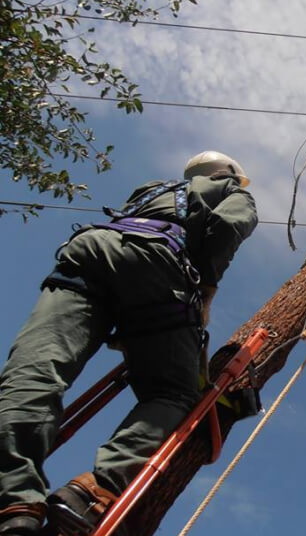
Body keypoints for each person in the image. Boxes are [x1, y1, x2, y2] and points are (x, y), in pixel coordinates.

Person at [0, 151, 258, 535]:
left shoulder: (150, 189)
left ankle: (13, 500)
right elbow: (226, 226)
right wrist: (206, 289)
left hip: (88, 253)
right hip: (157, 266)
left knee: (36, 370)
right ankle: (93, 492)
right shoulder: (229, 189)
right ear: (231, 173)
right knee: (173, 393)